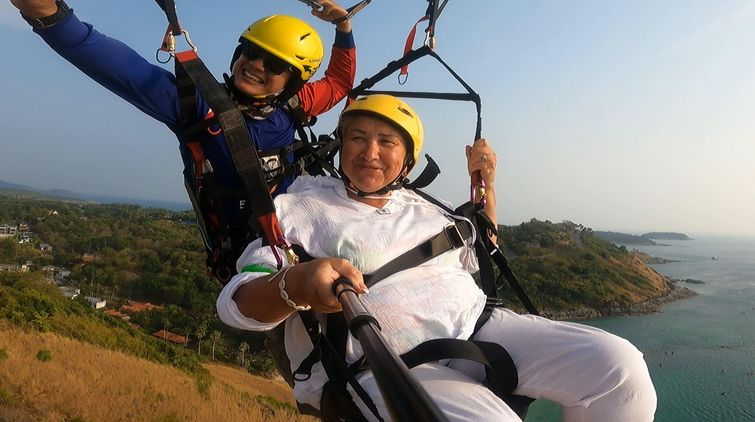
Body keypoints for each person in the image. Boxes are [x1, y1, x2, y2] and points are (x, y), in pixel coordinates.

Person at [216, 94, 658, 421]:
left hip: (476, 328)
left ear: (406, 159)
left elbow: (482, 248)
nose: (370, 151)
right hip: (382, 361)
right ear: (341, 147)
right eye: (358, 138)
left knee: (618, 367)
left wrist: (486, 184)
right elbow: (235, 305)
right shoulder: (300, 207)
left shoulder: (426, 205)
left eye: (387, 142)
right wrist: (296, 283)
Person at [2, 0, 356, 282]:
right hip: (253, 260)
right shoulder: (194, 105)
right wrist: (47, 13)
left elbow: (339, 83)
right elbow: (122, 68)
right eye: (250, 50)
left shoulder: (295, 104)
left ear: (293, 81)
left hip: (302, 233)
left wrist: (343, 27)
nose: (255, 65)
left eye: (275, 63)